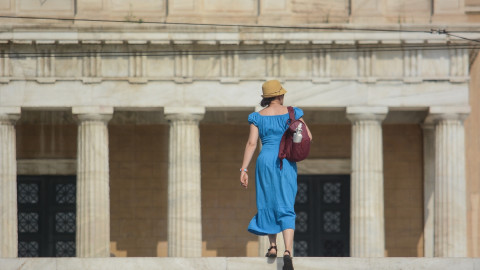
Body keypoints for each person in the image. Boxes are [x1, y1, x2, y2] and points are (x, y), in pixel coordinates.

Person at [240, 80, 312, 270]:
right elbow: (308, 136)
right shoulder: (293, 112)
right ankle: (288, 250)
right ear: (280, 95)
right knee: (286, 204)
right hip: (285, 160)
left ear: (266, 98)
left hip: (265, 160)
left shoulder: (257, 117)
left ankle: (273, 247)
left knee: (267, 201)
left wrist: (244, 169)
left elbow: (251, 144)